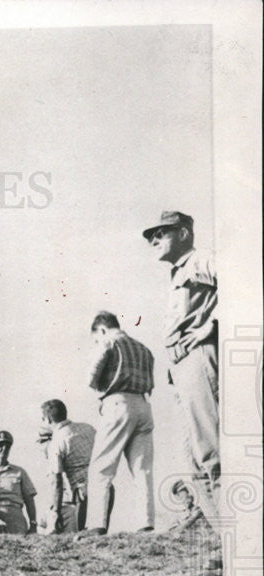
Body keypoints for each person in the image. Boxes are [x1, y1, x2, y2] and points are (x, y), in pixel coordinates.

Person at [143, 211, 219, 523]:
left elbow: (246, 282)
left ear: (184, 233)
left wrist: (214, 325)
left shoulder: (200, 260)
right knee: (195, 465)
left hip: (199, 356)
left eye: (161, 232)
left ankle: (246, 541)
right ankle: (227, 541)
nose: (154, 240)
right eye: (151, 236)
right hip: (181, 367)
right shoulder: (178, 272)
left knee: (213, 455)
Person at [84, 312, 156, 534]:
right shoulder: (144, 349)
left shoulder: (107, 341)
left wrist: (99, 386)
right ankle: (145, 523)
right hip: (143, 406)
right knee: (142, 469)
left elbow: (91, 377)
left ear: (102, 330)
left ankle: (96, 524)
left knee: (101, 467)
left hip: (117, 403)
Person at [39, 400, 96, 533]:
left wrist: (56, 513)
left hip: (82, 494)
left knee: (81, 540)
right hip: (104, 488)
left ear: (48, 419)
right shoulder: (89, 428)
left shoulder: (56, 442)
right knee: (99, 539)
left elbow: (56, 481)